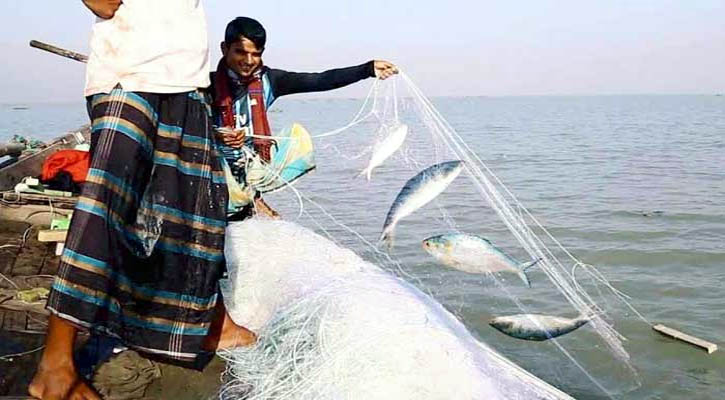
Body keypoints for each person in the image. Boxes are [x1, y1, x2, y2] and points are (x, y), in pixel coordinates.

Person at [29, 1, 253, 399]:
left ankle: (208, 325)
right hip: (130, 78)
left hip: (185, 83)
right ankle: (55, 367)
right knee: (105, 212)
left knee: (197, 212)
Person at [210, 17, 397, 219]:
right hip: (213, 170)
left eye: (256, 54)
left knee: (296, 138)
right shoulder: (205, 84)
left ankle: (252, 196)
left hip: (251, 169)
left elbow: (320, 80)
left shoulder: (268, 80)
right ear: (224, 48)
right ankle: (242, 201)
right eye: (241, 52)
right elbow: (182, 127)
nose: (248, 61)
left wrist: (367, 70)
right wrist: (216, 136)